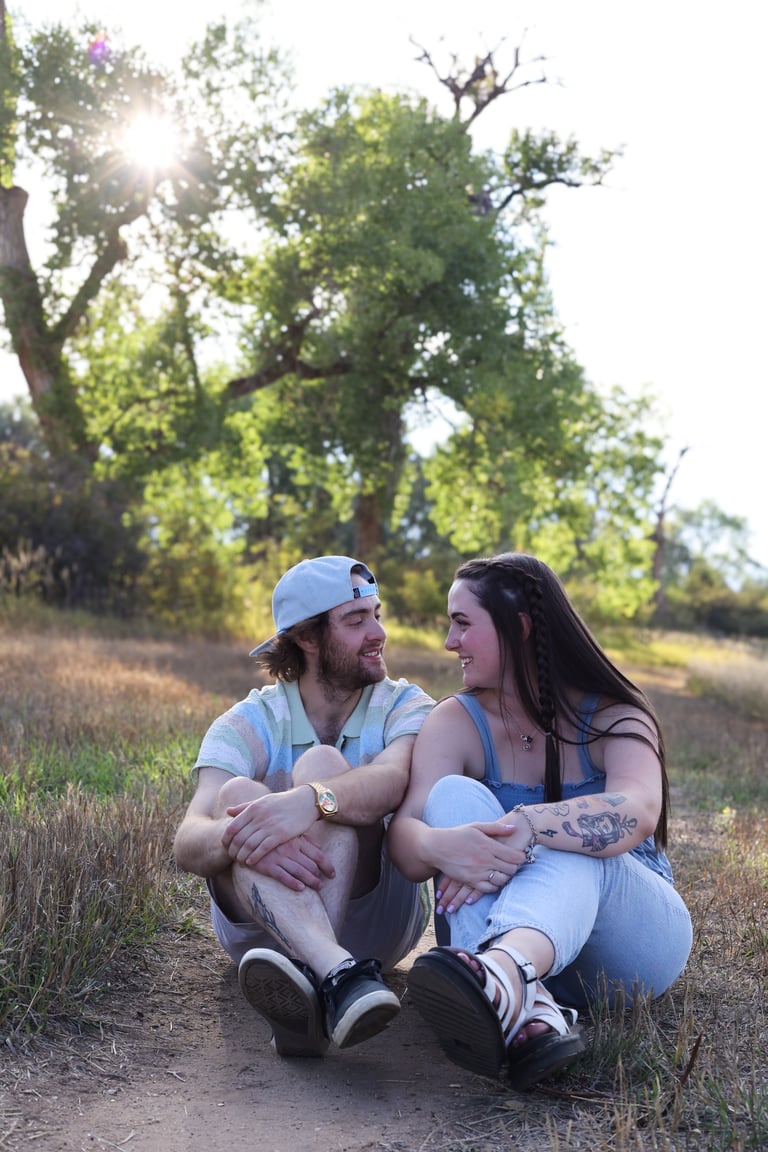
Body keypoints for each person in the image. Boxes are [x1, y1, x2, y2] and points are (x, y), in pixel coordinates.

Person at [388, 552, 693, 1091]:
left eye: (462, 623)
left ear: (520, 628)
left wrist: (531, 823)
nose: (449, 642)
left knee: (573, 837)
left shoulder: (615, 715)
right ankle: (530, 1009)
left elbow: (638, 811)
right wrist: (440, 846)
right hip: (512, 931)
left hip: (625, 947)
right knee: (453, 796)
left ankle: (502, 974)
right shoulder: (457, 721)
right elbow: (406, 840)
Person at [173, 555, 434, 1058]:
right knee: (237, 799)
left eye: (376, 615)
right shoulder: (248, 720)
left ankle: (315, 977)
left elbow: (394, 777)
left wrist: (311, 802)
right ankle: (334, 977)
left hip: (375, 924)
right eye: (356, 621)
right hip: (261, 935)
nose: (378, 633)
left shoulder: (404, 705)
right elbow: (188, 840)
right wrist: (249, 831)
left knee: (323, 766)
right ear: (307, 638)